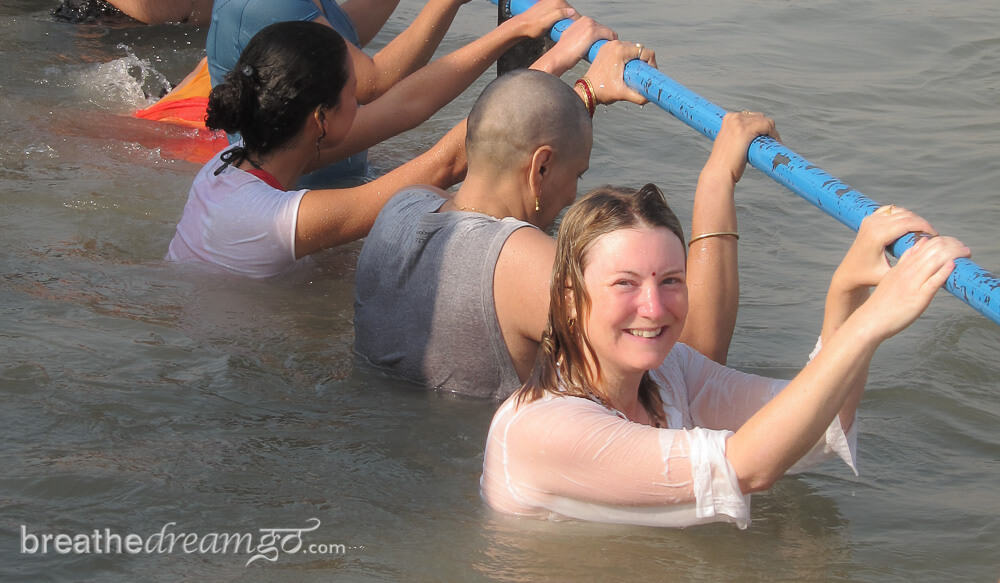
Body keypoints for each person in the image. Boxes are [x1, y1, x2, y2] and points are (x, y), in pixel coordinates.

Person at [479, 185, 970, 527]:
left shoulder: (672, 373)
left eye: (671, 281)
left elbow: (819, 423)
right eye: (625, 284)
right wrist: (869, 326)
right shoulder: (540, 429)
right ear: (568, 296)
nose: (653, 307)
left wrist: (848, 293)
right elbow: (746, 467)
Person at [353, 52, 774, 398]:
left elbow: (518, 134)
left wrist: (586, 93)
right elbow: (692, 360)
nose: (573, 195)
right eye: (577, 174)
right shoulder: (516, 260)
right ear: (542, 167)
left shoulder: (403, 207)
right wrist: (718, 179)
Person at [166, 16, 606, 278]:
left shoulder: (229, 164)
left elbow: (407, 103)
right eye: (355, 91)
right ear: (320, 118)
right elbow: (447, 163)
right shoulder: (274, 218)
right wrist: (581, 82)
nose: (365, 97)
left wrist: (514, 31)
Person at [206, 0, 577, 184]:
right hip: (303, 190)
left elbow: (345, 35)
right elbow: (372, 83)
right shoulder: (267, 4)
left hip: (326, 179)